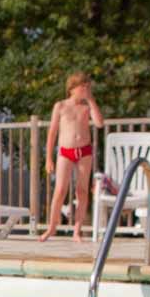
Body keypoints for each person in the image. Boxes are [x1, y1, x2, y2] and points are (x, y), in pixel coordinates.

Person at [40, 72, 105, 243]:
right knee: (60, 189)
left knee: (82, 190)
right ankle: (52, 227)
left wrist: (91, 100)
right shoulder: (61, 106)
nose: (85, 89)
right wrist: (48, 158)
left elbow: (99, 123)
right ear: (72, 88)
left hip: (84, 151)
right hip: (65, 151)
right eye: (83, 87)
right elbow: (52, 132)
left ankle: (77, 230)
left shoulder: (86, 106)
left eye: (87, 87)